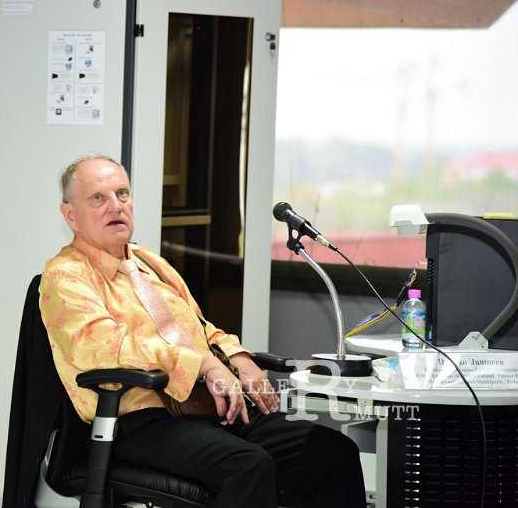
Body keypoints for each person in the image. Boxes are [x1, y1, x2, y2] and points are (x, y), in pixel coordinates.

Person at [38, 154, 366, 507]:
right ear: (70, 215)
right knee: (248, 466)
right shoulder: (65, 276)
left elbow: (200, 328)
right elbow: (106, 348)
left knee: (332, 452)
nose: (116, 206)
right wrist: (204, 366)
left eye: (122, 194)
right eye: (98, 198)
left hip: (206, 406)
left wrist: (238, 358)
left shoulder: (149, 262)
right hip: (138, 419)